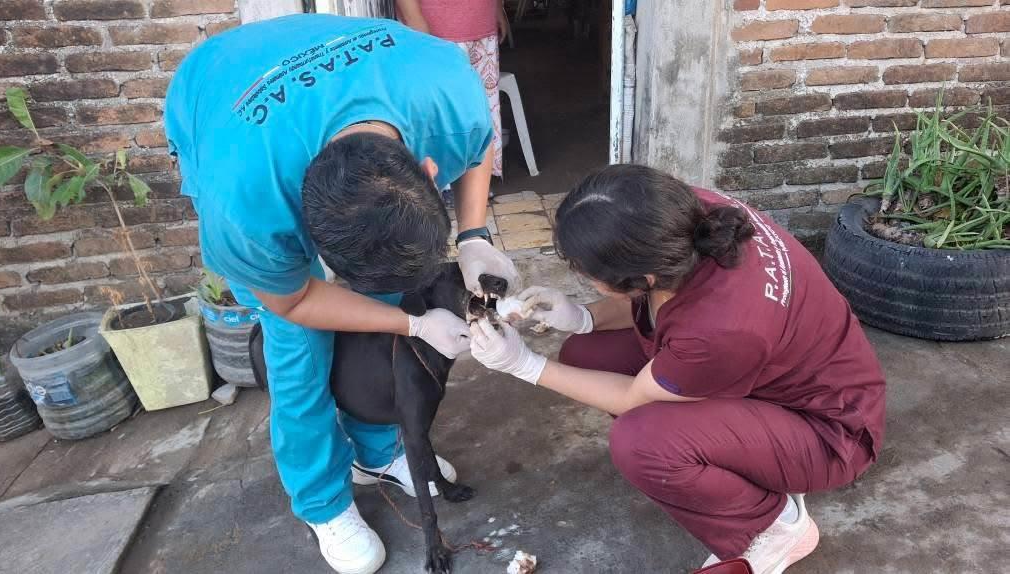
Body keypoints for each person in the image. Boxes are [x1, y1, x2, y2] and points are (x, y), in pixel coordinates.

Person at [164, 14, 519, 574]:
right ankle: (321, 500)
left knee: (385, 298)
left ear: (428, 168)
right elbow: (292, 300)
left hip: (349, 75)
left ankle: (377, 456)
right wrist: (415, 325)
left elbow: (476, 148)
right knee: (299, 344)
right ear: (307, 231)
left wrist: (473, 237)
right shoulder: (245, 206)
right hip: (219, 87)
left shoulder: (446, 87)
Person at [469, 165, 886, 573]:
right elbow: (647, 296)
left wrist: (523, 364)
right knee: (586, 355)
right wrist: (583, 316)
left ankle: (773, 526)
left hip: (831, 433)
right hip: (771, 374)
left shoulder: (718, 328)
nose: (580, 276)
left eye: (588, 275)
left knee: (643, 443)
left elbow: (632, 399)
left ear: (643, 278)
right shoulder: (689, 213)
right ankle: (740, 458)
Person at [395, 0, 508, 181]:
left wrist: (497, 8)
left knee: (480, 112)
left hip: (481, 29)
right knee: (444, 114)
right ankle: (443, 184)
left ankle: (478, 183)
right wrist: (415, 20)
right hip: (437, 34)